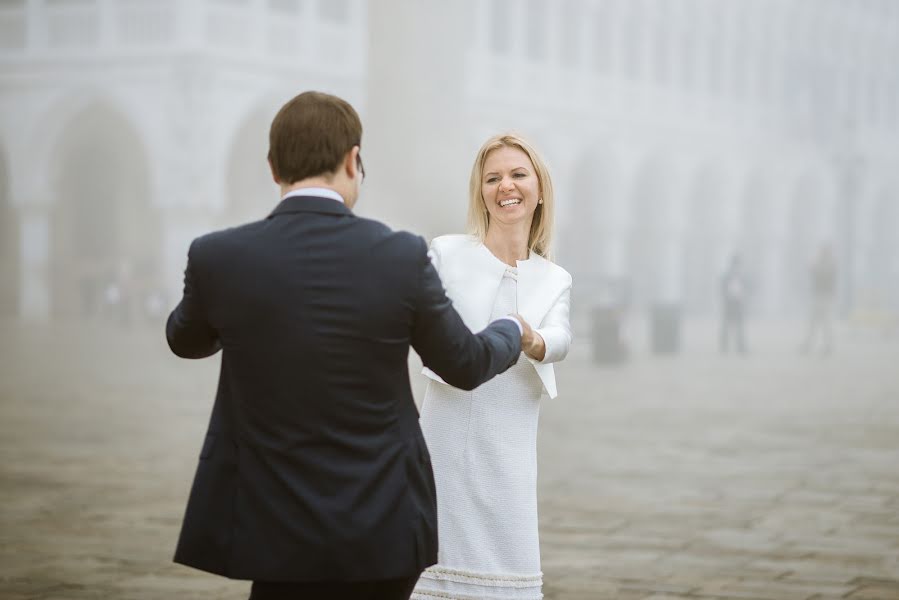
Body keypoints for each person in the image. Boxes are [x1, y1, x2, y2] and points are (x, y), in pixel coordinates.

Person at [166, 91, 538, 600]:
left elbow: (185, 339)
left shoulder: (218, 256)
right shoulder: (400, 255)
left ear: (273, 168)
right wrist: (511, 330)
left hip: (270, 523)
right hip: (382, 521)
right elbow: (464, 364)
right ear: (352, 161)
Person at [411, 133, 572, 600]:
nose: (507, 186)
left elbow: (560, 339)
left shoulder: (554, 278)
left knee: (507, 561)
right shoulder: (445, 253)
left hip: (510, 438)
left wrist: (532, 339)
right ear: (480, 193)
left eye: (518, 174)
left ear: (539, 188)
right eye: (493, 178)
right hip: (445, 430)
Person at [800, 243, 837, 355]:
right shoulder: (821, 262)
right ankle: (810, 343)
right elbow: (812, 273)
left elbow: (825, 276)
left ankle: (827, 345)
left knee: (825, 323)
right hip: (818, 295)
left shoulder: (830, 264)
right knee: (813, 322)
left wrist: (815, 268)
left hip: (825, 296)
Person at [719, 253, 748, 354]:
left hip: (738, 304)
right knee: (726, 327)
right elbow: (722, 289)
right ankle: (724, 348)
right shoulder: (727, 276)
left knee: (739, 327)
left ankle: (741, 348)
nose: (737, 267)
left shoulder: (741, 277)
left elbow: (744, 289)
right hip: (729, 304)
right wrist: (727, 297)